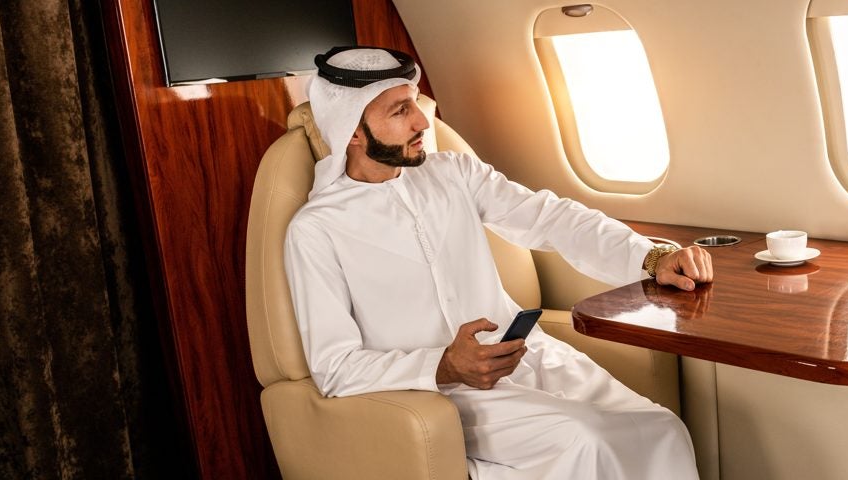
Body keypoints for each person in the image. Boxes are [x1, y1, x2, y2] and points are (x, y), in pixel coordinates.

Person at [283, 46, 712, 479]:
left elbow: (551, 217)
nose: (421, 123)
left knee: (663, 429)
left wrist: (650, 256)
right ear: (351, 134)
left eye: (414, 103)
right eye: (399, 112)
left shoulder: (453, 173)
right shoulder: (316, 230)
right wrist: (444, 365)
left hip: (530, 357)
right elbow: (335, 369)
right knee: (589, 441)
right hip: (447, 393)